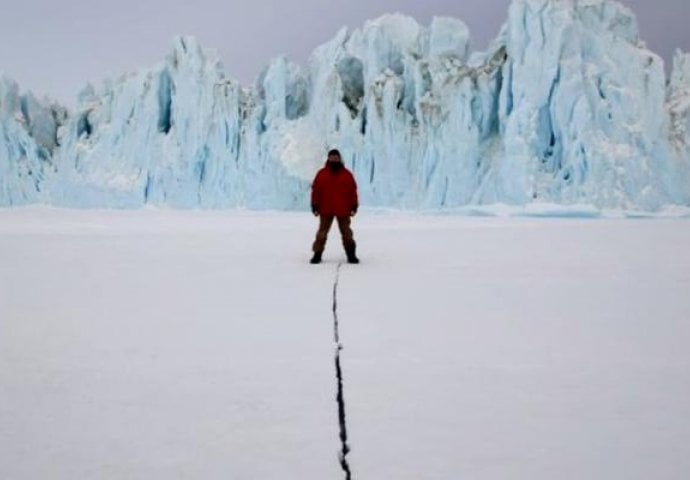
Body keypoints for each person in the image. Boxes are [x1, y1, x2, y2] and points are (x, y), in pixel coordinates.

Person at [310, 149, 359, 264]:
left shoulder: (347, 175)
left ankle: (351, 255)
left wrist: (354, 205)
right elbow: (316, 190)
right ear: (328, 158)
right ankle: (317, 254)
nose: (334, 159)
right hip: (326, 208)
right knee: (321, 234)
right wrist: (315, 204)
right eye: (332, 157)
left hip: (343, 209)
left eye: (336, 157)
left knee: (347, 233)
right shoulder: (322, 174)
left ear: (339, 158)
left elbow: (352, 191)